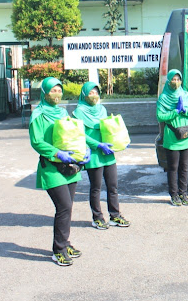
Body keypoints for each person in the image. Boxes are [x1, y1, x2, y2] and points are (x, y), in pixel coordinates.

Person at [29, 77, 90, 266]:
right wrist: (57, 153)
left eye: (58, 90)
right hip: (52, 167)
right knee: (63, 207)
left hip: (69, 166)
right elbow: (37, 142)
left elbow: (74, 133)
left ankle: (65, 243)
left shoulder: (63, 112)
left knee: (68, 207)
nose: (56, 94)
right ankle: (59, 250)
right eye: (52, 90)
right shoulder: (38, 114)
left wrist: (85, 148)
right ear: (44, 93)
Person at [72, 81, 130, 230]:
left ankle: (115, 216)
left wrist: (120, 140)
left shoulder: (102, 109)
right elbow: (81, 134)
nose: (94, 96)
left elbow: (108, 128)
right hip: (94, 154)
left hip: (107, 153)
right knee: (96, 188)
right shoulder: (78, 112)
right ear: (84, 95)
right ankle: (97, 218)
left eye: (96, 92)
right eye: (90, 93)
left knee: (113, 186)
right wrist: (97, 145)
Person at [157, 69, 188, 206]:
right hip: (172, 137)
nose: (176, 82)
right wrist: (174, 112)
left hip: (186, 137)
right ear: (169, 81)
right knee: (173, 168)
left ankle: (183, 193)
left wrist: (186, 111)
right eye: (173, 79)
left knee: (184, 168)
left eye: (178, 79)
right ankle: (174, 195)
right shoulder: (163, 98)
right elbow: (160, 116)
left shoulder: (185, 94)